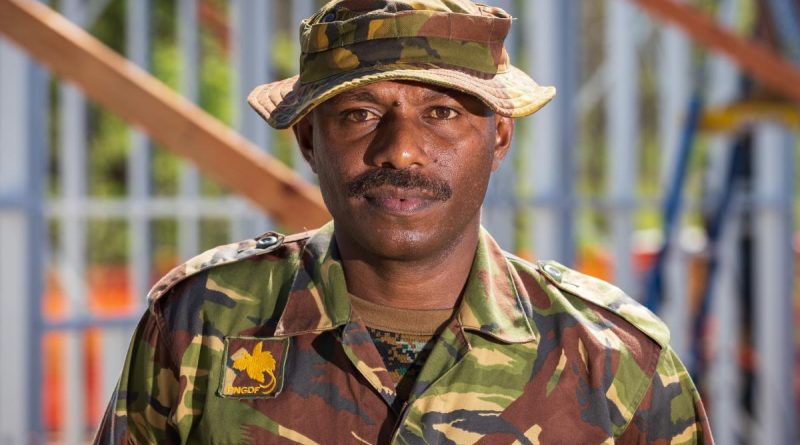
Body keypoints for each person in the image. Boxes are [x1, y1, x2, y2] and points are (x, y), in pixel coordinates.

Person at [94, 1, 713, 444]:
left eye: (441, 112)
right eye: (360, 113)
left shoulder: (610, 357)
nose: (401, 150)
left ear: (498, 138)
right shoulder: (200, 322)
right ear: (309, 140)